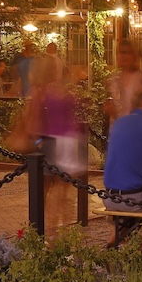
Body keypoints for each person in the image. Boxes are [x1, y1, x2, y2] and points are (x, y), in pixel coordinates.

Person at [26, 57, 85, 228]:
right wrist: (37, 140)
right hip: (52, 142)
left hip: (65, 141)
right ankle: (48, 230)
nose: (55, 71)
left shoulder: (56, 89)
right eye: (52, 68)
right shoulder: (40, 91)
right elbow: (33, 119)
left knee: (63, 190)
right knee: (52, 190)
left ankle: (58, 230)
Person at [107, 41, 142, 123]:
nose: (122, 56)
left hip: (135, 127)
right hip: (118, 128)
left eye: (126, 53)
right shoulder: (115, 79)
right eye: (120, 53)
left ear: (134, 56)